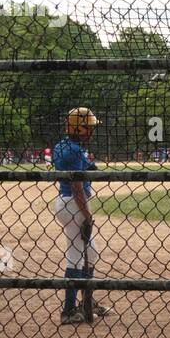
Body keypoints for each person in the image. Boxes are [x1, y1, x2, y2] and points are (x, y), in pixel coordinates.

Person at [52, 108, 109, 325]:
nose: (92, 131)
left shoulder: (63, 145)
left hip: (67, 204)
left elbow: (77, 167)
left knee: (91, 253)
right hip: (74, 205)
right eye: (89, 127)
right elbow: (76, 187)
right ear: (77, 127)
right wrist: (88, 216)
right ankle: (68, 311)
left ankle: (87, 301)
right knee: (76, 257)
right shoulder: (75, 150)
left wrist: (88, 166)